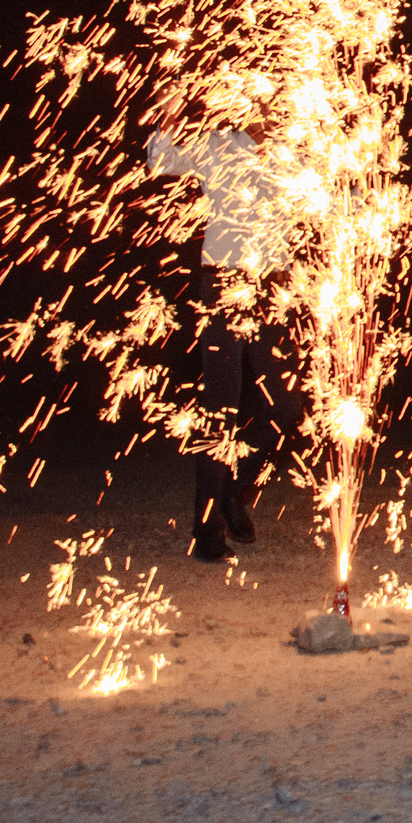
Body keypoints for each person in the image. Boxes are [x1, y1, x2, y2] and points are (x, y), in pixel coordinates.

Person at [147, 124, 288, 563]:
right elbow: (161, 161)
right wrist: (165, 116)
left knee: (285, 410)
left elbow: (335, 200)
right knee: (220, 409)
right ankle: (206, 531)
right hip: (224, 285)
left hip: (273, 289)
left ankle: (233, 490)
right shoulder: (217, 144)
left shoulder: (295, 151)